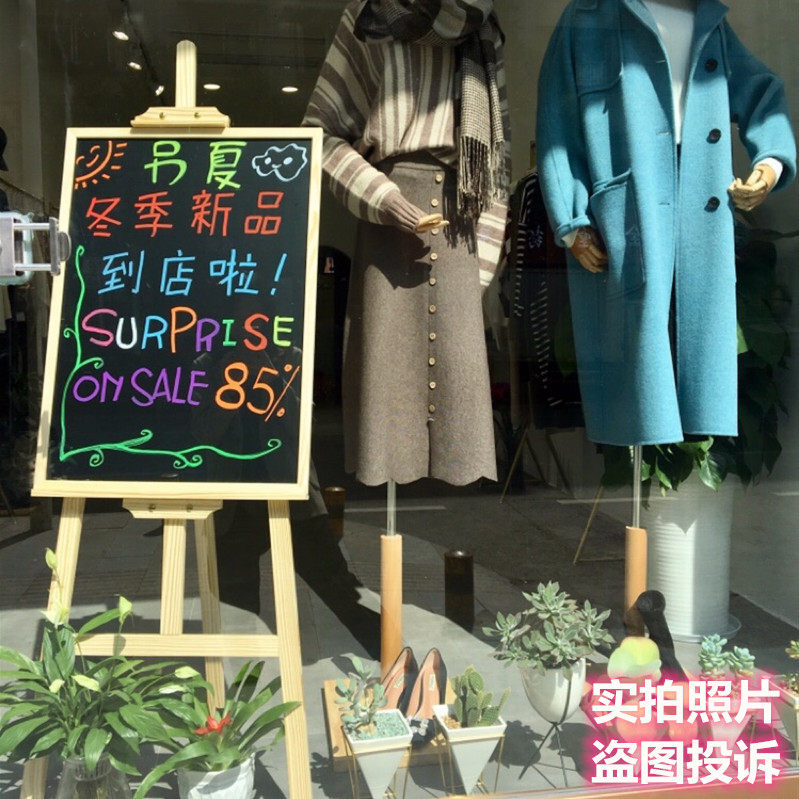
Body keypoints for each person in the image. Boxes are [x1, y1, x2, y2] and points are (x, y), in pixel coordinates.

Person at [536, 0, 796, 447]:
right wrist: (572, 217)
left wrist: (770, 162)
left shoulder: (707, 20)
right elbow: (556, 125)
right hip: (628, 205)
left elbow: (762, 91)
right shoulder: (588, 16)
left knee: (698, 347)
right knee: (636, 351)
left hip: (700, 196)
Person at [303, 0, 511, 486]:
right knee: (387, 403)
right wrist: (384, 198)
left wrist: (480, 270)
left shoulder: (483, 26)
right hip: (386, 233)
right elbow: (318, 135)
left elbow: (495, 161)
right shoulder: (370, 16)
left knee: (459, 412)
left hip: (463, 223)